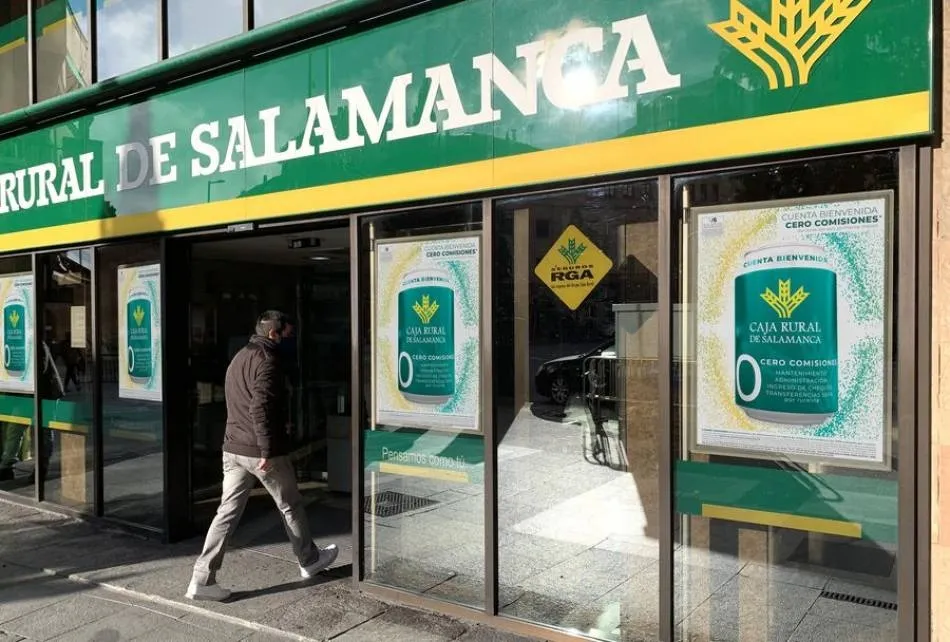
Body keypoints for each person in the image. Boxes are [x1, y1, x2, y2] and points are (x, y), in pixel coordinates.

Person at [186, 310, 337, 601]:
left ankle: (202, 579)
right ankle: (309, 560)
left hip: (233, 449)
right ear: (273, 334)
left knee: (227, 513)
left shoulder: (239, 357)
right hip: (260, 451)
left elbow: (236, 403)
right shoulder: (268, 361)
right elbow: (259, 408)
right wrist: (267, 449)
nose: (290, 340)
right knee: (290, 504)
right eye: (287, 335)